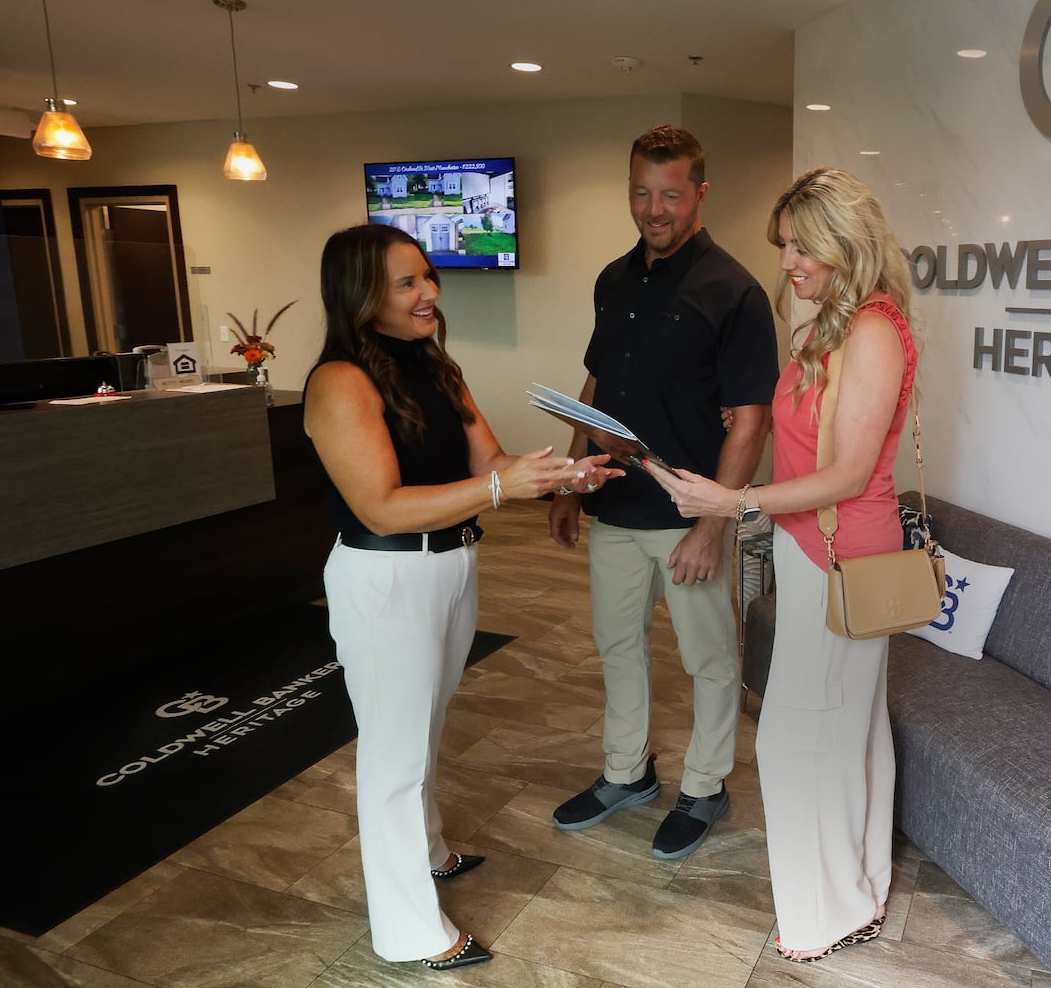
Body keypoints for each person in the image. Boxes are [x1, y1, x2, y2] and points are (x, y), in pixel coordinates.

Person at [304, 224, 620, 970]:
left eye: (428, 277)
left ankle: (431, 850)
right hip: (386, 578)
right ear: (362, 295)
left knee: (424, 728)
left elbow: (494, 465)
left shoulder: (437, 367)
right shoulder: (339, 382)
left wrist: (564, 477)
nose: (429, 294)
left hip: (451, 567)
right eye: (407, 283)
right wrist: (499, 486)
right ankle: (410, 932)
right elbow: (381, 505)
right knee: (392, 754)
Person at [649, 167, 919, 962]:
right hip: (817, 547)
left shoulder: (870, 331)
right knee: (847, 728)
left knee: (797, 737)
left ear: (846, 242)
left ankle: (827, 909)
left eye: (802, 246)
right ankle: (855, 890)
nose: (788, 262)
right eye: (785, 247)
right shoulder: (832, 327)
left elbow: (845, 473)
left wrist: (734, 503)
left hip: (843, 551)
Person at [549, 125, 778, 859]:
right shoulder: (613, 280)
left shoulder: (736, 290)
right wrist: (568, 482)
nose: (655, 210)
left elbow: (751, 417)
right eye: (642, 194)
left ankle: (705, 786)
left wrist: (715, 525)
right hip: (615, 504)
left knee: (709, 659)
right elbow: (596, 386)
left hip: (689, 515)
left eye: (671, 195)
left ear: (700, 193)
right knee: (618, 645)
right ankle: (628, 773)